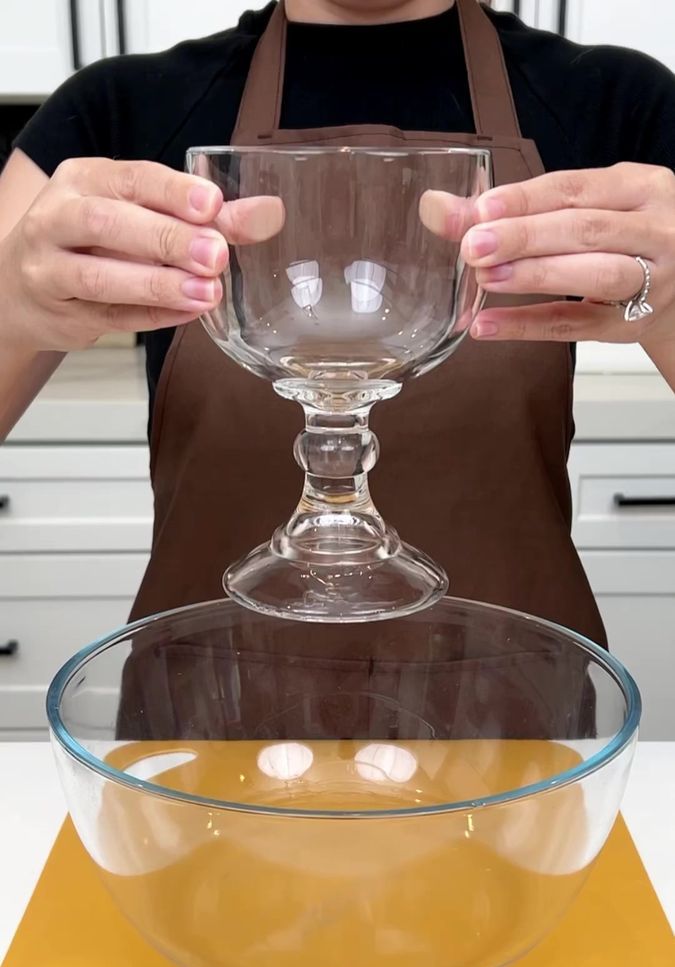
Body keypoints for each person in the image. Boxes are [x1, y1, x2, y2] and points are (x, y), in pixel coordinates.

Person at [0, 0, 674, 641]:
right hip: (205, 718)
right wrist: (14, 301)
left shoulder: (619, 104)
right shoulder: (116, 109)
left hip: (517, 725)